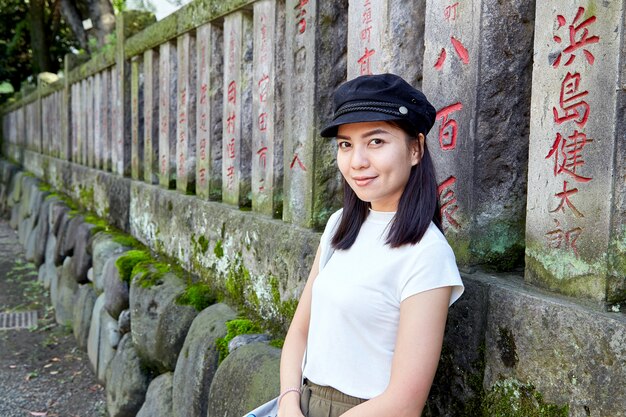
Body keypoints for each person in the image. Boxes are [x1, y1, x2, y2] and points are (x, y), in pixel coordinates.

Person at [277, 73, 464, 417]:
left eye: (376, 142)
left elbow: (404, 402)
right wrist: (288, 402)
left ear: (415, 149)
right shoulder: (339, 226)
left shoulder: (427, 254)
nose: (357, 161)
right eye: (346, 144)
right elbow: (299, 332)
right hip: (302, 402)